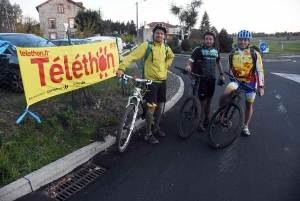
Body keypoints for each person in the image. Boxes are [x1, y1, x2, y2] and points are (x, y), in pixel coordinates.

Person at [116, 23, 174, 144]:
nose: (159, 35)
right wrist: (122, 68)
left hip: (162, 80)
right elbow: (132, 56)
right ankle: (148, 134)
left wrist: (165, 65)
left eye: (162, 33)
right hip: (150, 81)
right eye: (157, 33)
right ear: (154, 34)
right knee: (151, 107)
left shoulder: (166, 48)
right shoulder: (147, 46)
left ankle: (156, 127)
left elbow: (171, 57)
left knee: (159, 105)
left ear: (164, 36)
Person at [219, 30, 265, 136]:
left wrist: (261, 86)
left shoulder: (254, 53)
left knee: (249, 105)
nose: (242, 42)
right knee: (225, 94)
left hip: (251, 83)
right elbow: (229, 68)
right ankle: (221, 112)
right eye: (240, 40)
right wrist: (232, 80)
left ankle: (245, 125)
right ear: (237, 40)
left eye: (245, 40)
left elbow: (259, 70)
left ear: (248, 41)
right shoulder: (232, 53)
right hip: (237, 81)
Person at [185, 29, 225, 131]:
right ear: (204, 40)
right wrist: (188, 67)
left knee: (209, 101)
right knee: (202, 102)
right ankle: (198, 122)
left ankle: (207, 120)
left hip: (211, 79)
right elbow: (190, 62)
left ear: (213, 40)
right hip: (200, 79)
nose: (208, 41)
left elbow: (218, 63)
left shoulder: (216, 51)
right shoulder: (198, 50)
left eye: (210, 39)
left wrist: (221, 75)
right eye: (206, 39)